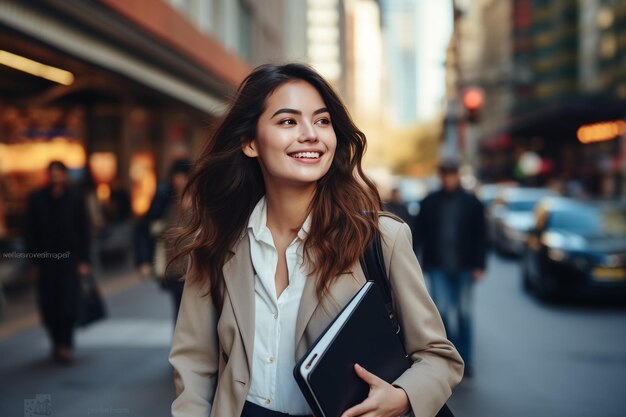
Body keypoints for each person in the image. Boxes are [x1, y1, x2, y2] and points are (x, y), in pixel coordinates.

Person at [168, 63, 463, 417]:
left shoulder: (381, 239)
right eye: (288, 121)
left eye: (322, 121)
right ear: (250, 142)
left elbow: (438, 357)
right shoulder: (216, 243)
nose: (311, 134)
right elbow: (194, 366)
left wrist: (401, 397)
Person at [415, 158, 487, 377]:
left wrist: (480, 265)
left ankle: (466, 361)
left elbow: (482, 235)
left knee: (464, 314)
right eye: (445, 175)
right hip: (438, 266)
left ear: (458, 176)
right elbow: (418, 234)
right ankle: (448, 359)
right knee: (443, 313)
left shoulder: (472, 202)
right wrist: (416, 261)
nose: (448, 179)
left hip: (465, 267)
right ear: (441, 177)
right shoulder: (429, 202)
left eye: (452, 175)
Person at [24, 161, 91, 363]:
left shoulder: (75, 197)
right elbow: (30, 232)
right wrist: (33, 262)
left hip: (69, 258)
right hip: (46, 260)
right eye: (52, 173)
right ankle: (56, 342)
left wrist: (84, 260)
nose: (56, 177)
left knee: (68, 303)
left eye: (59, 173)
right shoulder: (37, 198)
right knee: (49, 302)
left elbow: (84, 231)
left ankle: (66, 344)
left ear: (65, 175)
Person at [135, 159, 192, 321]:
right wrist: (143, 260)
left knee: (193, 315)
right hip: (174, 266)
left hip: (197, 268)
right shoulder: (165, 199)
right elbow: (145, 229)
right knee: (180, 311)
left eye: (185, 177)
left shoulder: (202, 201)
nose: (181, 181)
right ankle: (181, 345)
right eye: (178, 177)